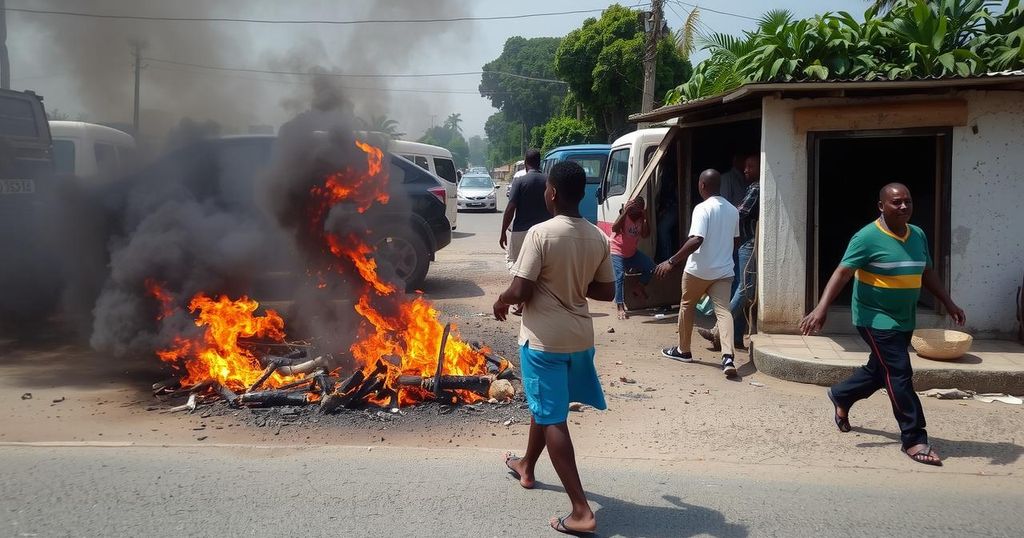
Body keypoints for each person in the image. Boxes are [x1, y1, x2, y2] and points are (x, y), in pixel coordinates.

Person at [800, 183, 966, 467]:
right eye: (896, 202)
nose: (904, 207)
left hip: (904, 317)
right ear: (881, 206)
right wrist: (821, 307)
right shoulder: (866, 237)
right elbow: (842, 272)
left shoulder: (918, 235)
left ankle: (841, 394)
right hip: (874, 317)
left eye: (908, 202)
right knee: (899, 373)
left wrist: (948, 303)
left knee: (880, 370)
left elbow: (927, 271)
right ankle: (914, 439)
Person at [495, 160, 615, 536]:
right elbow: (607, 291)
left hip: (543, 341)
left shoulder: (540, 234)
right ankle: (527, 466)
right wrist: (573, 283)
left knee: (552, 418)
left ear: (553, 193)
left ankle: (581, 510)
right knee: (546, 406)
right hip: (579, 340)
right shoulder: (596, 236)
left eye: (547, 188)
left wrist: (501, 301)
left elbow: (520, 289)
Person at [656, 169, 740, 377]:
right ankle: (728, 357)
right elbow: (736, 241)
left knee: (687, 305)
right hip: (723, 271)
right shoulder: (732, 210)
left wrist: (671, 261)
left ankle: (683, 350)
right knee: (723, 311)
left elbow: (696, 239)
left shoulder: (702, 209)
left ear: (702, 185)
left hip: (698, 271)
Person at [698, 153, 759, 351]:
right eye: (745, 166)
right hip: (746, 243)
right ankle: (736, 338)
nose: (746, 170)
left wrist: (721, 216)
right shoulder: (752, 187)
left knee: (744, 289)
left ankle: (718, 329)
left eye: (750, 166)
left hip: (749, 243)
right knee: (743, 288)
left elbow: (739, 212)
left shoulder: (756, 188)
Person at [500, 149, 551, 272]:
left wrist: (503, 232)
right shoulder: (549, 181)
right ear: (540, 162)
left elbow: (510, 209)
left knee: (519, 269)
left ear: (525, 162)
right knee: (544, 269)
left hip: (521, 232)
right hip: (545, 233)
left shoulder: (519, 182)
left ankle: (522, 290)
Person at [610, 197, 656, 320]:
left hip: (632, 253)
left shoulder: (641, 218)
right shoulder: (625, 216)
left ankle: (639, 287)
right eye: (633, 210)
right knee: (619, 276)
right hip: (617, 251)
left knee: (651, 267)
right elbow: (614, 228)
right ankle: (620, 306)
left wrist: (645, 217)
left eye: (638, 211)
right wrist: (625, 212)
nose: (635, 213)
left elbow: (646, 235)